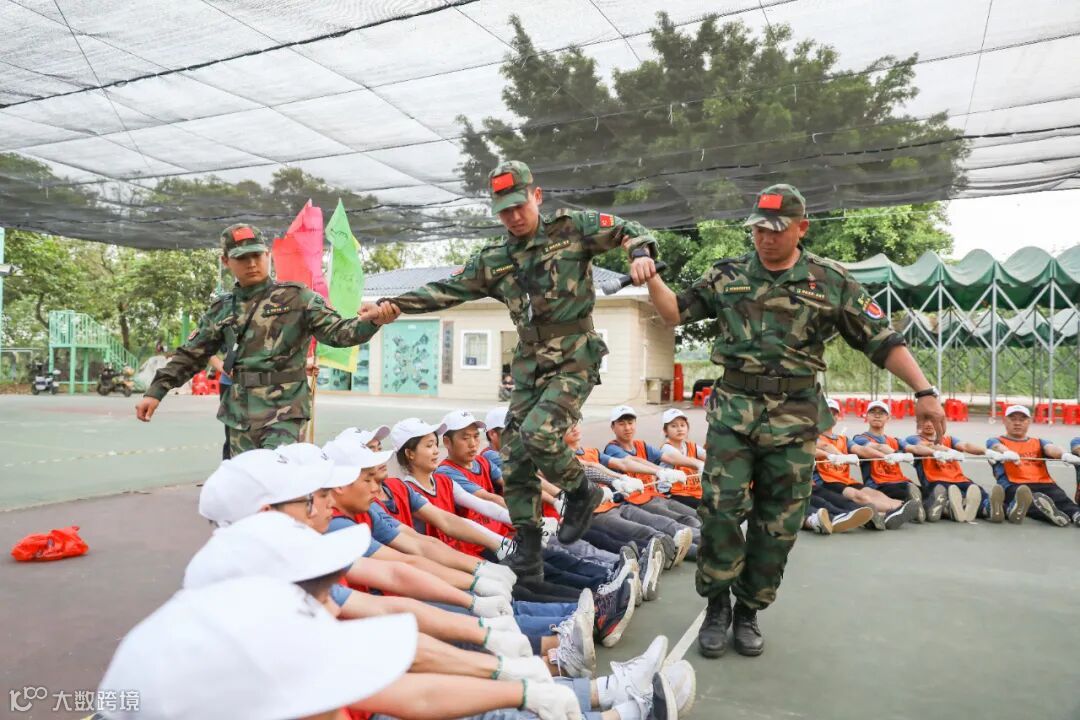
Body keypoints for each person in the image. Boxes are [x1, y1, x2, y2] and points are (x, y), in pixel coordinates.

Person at [641, 183, 946, 658]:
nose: (765, 238)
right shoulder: (728, 274)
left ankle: (749, 609)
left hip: (796, 418)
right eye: (758, 229)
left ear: (801, 228)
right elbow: (674, 312)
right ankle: (718, 604)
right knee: (720, 511)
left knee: (778, 522)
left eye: (777, 230)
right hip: (734, 413)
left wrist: (924, 392)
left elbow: (881, 339)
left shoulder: (830, 280)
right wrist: (650, 272)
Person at [361, 160, 660, 582]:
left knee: (539, 434)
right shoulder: (495, 259)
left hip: (575, 355)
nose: (514, 216)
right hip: (530, 363)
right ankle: (529, 546)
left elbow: (628, 229)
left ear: (536, 196)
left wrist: (640, 254)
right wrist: (392, 306)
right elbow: (445, 289)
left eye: (520, 205)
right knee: (515, 455)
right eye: (505, 210)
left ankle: (581, 490)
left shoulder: (571, 228)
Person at [134, 223, 399, 456]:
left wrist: (373, 320)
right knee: (247, 485)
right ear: (226, 261)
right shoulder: (221, 309)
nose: (252, 263)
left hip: (284, 412)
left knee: (278, 479)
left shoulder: (297, 298)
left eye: (257, 255)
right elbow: (191, 354)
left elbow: (339, 332)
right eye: (242, 258)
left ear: (267, 255)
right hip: (239, 415)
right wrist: (156, 391)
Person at [813, 399, 919, 530]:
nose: (829, 416)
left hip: (845, 479)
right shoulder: (812, 437)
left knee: (874, 494)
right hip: (826, 481)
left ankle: (900, 508)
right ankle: (892, 511)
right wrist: (835, 455)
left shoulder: (844, 439)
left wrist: (887, 457)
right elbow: (824, 446)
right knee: (860, 496)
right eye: (825, 413)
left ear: (837, 417)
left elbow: (861, 450)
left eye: (833, 413)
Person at [986, 405, 1080, 527]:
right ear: (1004, 421)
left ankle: (1076, 514)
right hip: (1014, 483)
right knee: (1026, 501)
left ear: (1029, 421)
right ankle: (1051, 514)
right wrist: (1006, 452)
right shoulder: (995, 441)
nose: (1017, 423)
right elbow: (996, 447)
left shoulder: (1039, 442)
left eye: (1022, 419)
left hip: (1044, 482)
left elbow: (1051, 448)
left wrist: (1064, 454)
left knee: (1061, 499)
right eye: (1013, 419)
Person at [852, 401, 946, 522]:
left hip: (900, 480)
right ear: (867, 416)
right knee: (908, 490)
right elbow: (879, 447)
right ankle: (922, 508)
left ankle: (928, 508)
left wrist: (936, 453)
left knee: (928, 491)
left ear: (888, 418)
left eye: (881, 413)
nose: (877, 415)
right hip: (878, 484)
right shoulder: (859, 438)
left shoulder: (895, 440)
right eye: (873, 412)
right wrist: (896, 454)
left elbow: (915, 448)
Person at [904, 416, 1003, 523]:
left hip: (959, 479)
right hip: (935, 481)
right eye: (924, 420)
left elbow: (965, 446)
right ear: (918, 422)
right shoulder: (913, 439)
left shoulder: (949, 439)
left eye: (933, 420)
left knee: (979, 492)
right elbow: (929, 446)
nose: (929, 424)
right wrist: (949, 451)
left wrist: (986, 451)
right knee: (943, 493)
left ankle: (987, 509)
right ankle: (952, 507)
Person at [658, 408, 706, 508]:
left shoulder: (692, 446)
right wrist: (700, 464)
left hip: (692, 492)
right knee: (707, 508)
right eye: (674, 426)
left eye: (682, 425)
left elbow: (710, 458)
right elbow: (681, 459)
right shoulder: (666, 448)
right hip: (672, 493)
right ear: (665, 431)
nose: (679, 429)